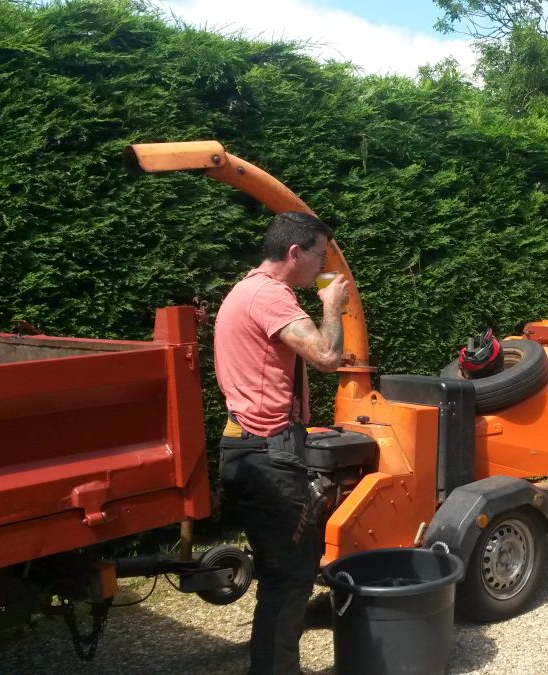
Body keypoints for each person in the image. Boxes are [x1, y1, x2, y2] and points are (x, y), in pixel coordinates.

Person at [214, 211, 350, 675]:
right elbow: (327, 356)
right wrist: (333, 304)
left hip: (250, 446)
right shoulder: (270, 296)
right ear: (295, 252)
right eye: (320, 255)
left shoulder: (247, 289)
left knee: (284, 571)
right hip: (266, 451)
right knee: (288, 578)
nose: (322, 266)